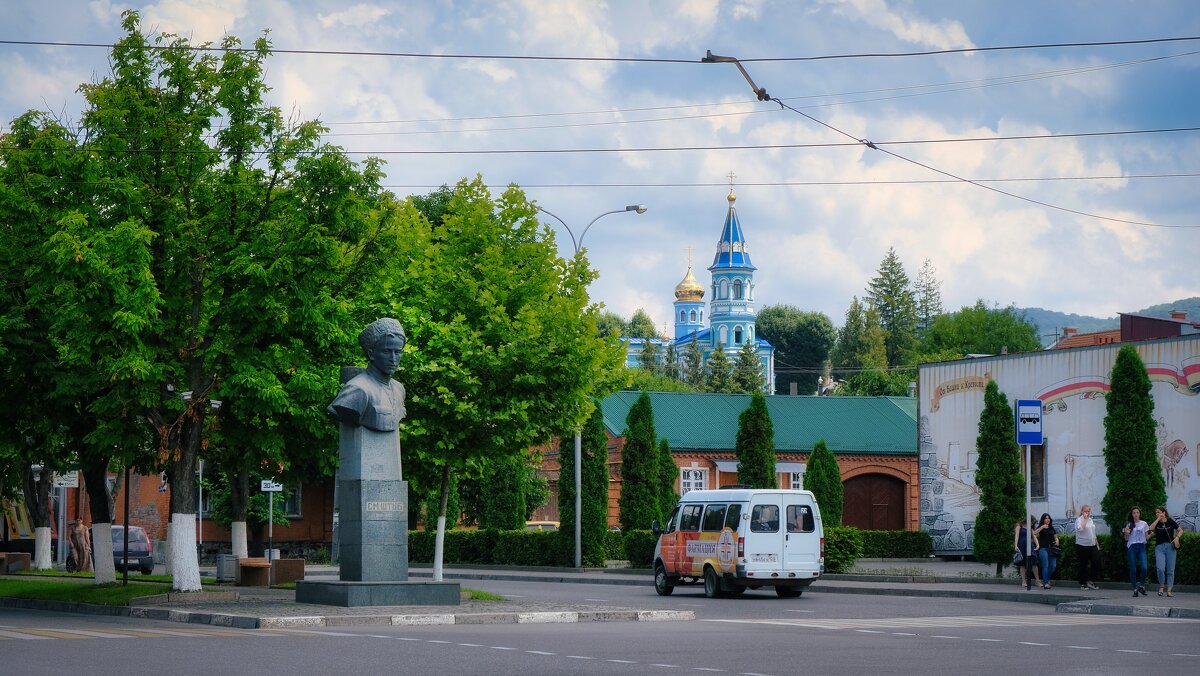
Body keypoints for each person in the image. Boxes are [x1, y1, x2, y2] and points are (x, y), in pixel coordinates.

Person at [327, 318, 407, 432]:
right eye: (386, 352)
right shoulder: (358, 389)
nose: (393, 359)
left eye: (397, 352)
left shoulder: (399, 389)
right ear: (371, 354)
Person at [1148, 506, 1181, 597]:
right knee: (1160, 568)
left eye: (1158, 512)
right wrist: (1158, 519)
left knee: (1170, 570)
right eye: (1156, 513)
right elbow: (1150, 528)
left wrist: (1177, 537)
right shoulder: (1157, 523)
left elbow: (1180, 530)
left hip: (1170, 547)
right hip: (1159, 548)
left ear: (1164, 513)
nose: (1157, 514)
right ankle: (1161, 586)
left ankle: (1169, 590)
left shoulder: (1170, 521)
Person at [1121, 506, 1150, 597]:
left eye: (1137, 512)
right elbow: (1126, 538)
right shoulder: (1129, 524)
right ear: (1132, 514)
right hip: (1132, 546)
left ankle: (1141, 585)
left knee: (1144, 567)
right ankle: (1134, 588)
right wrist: (1126, 533)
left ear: (1139, 514)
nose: (1136, 514)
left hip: (1141, 546)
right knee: (1133, 569)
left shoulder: (1144, 523)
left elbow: (1146, 537)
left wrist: (1152, 534)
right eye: (1134, 513)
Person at [1074, 505, 1101, 590]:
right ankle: (1083, 583)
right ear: (1082, 512)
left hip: (1092, 544)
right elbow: (1080, 529)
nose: (1087, 513)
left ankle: (1091, 581)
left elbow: (1093, 533)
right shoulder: (1079, 520)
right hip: (1082, 545)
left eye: (1089, 511)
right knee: (1083, 564)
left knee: (1096, 561)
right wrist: (1085, 519)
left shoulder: (1090, 520)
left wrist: (1097, 544)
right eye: (1085, 511)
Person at [1034, 513, 1059, 589]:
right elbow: (1034, 533)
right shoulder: (1041, 527)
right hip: (1043, 549)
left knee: (1053, 566)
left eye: (1048, 518)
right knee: (1045, 565)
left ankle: (1046, 579)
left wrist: (1057, 541)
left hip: (1052, 549)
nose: (1047, 519)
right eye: (1045, 518)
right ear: (1043, 520)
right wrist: (1042, 527)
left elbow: (1056, 537)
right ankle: (1046, 583)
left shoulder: (1052, 528)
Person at [1013, 518, 1039, 590]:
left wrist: (1037, 545)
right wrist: (1016, 545)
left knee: (1034, 562)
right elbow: (1017, 536)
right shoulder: (1019, 526)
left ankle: (1037, 580)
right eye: (1032, 522)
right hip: (1022, 546)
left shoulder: (1029, 528)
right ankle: (1024, 581)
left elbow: (1034, 537)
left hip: (1030, 546)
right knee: (1022, 564)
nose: (1033, 524)